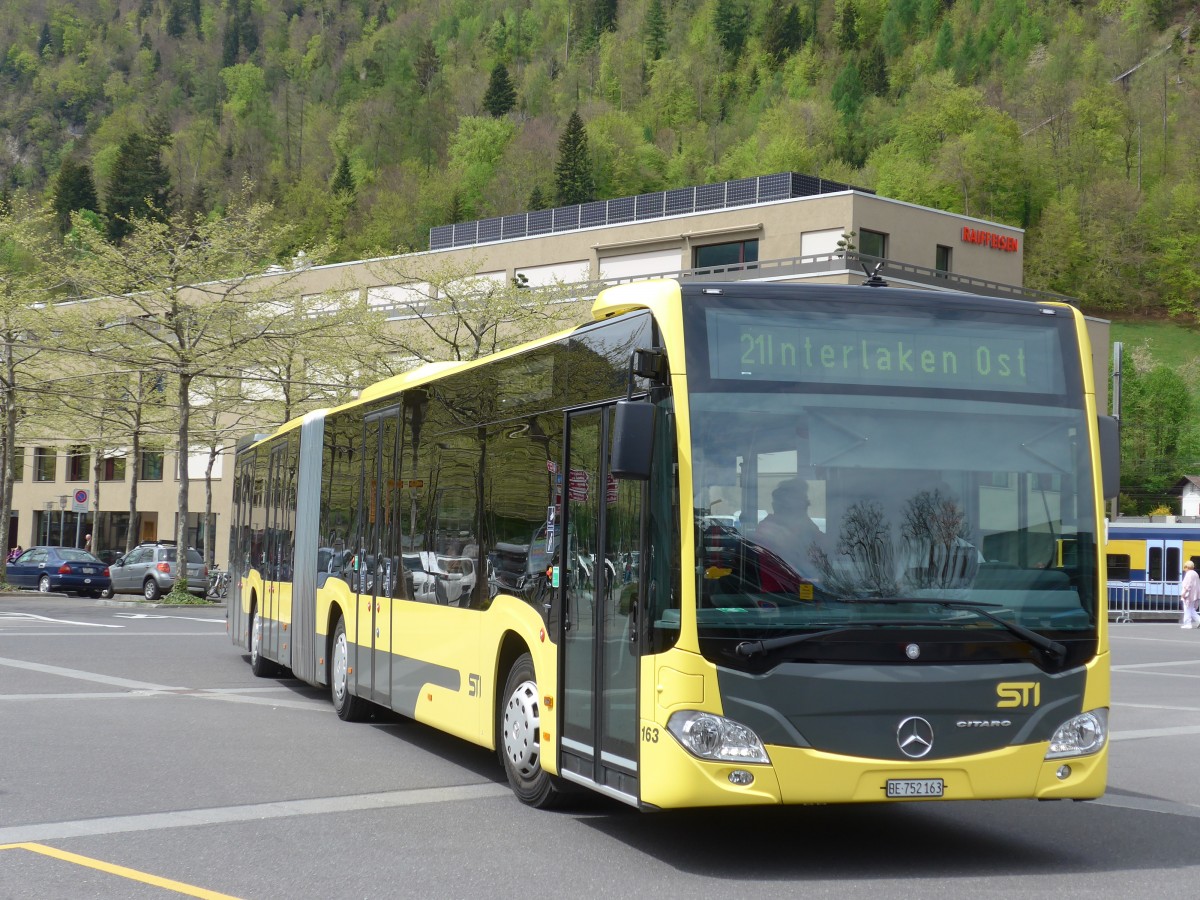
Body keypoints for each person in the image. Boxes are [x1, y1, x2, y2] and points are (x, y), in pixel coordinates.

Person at [754, 478, 827, 577]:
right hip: (779, 589)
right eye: (804, 502)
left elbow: (824, 547)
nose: (807, 505)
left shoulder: (805, 526)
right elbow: (796, 563)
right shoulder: (769, 532)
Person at [1180, 560, 1200, 629]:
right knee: (1191, 609)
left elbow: (1188, 585)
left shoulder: (1189, 574)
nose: (1184, 569)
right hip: (1194, 594)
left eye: (1185, 567)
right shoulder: (1195, 573)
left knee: (1187, 609)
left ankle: (1187, 624)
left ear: (1187, 567)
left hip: (1189, 595)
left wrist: (1184, 593)